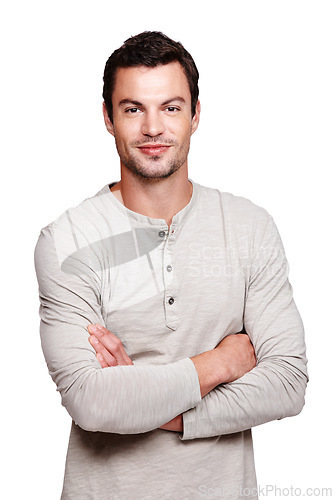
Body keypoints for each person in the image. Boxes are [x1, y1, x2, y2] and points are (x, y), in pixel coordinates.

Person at [34, 31, 308, 500]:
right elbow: (91, 400)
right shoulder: (67, 240)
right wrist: (220, 362)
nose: (153, 128)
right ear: (108, 118)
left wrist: (147, 404)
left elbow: (287, 383)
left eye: (171, 107)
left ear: (196, 115)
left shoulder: (250, 227)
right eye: (133, 108)